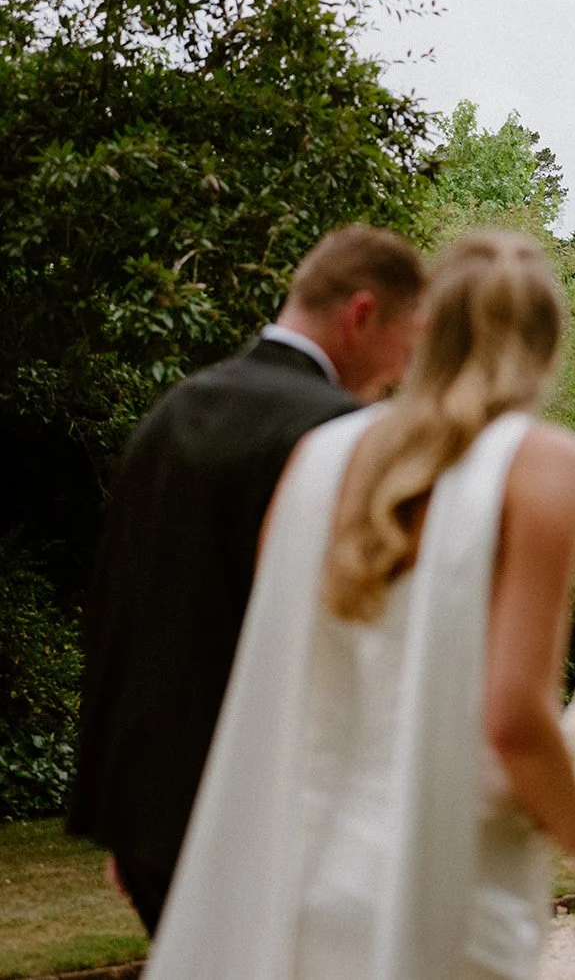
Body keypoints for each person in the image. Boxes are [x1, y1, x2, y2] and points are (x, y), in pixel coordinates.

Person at [143, 231, 575, 978]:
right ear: (548, 345)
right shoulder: (544, 464)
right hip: (449, 883)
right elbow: (513, 715)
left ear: (427, 332)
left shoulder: (317, 456)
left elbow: (276, 662)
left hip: (307, 873)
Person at [68, 224, 429, 935]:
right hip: (266, 809)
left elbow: (120, 606)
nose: (402, 372)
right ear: (361, 314)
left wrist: (128, 812)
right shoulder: (342, 435)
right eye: (406, 346)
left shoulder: (175, 410)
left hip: (148, 812)